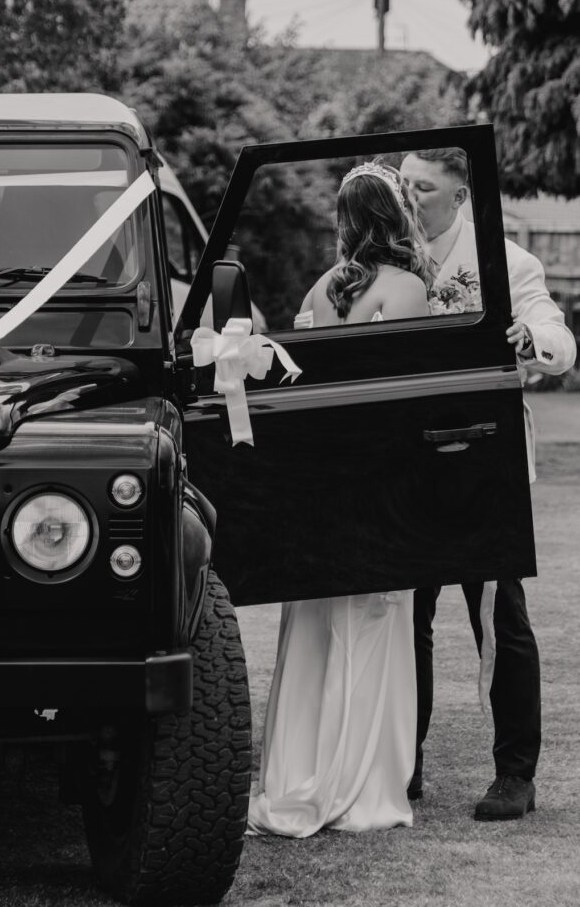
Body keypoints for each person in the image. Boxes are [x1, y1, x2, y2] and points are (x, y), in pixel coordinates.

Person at [247, 162, 432, 837]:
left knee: (320, 622)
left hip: (324, 474)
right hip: (378, 474)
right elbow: (398, 389)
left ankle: (300, 770)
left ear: (346, 222)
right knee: (373, 623)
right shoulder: (407, 287)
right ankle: (361, 790)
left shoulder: (324, 287)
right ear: (397, 216)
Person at [400, 147, 577, 821]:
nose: (409, 196)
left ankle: (514, 775)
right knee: (404, 618)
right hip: (403, 463)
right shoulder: (385, 257)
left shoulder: (508, 260)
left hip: (484, 460)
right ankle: (402, 764)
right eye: (403, 184)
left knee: (498, 617)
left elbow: (559, 342)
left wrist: (528, 333)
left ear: (457, 196)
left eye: (422, 187)